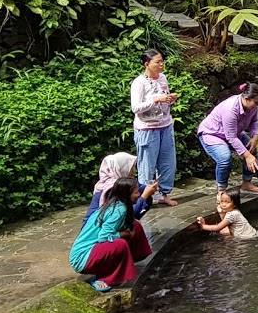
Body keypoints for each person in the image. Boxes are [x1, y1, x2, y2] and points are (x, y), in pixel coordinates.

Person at [69, 178, 152, 291]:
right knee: (120, 244)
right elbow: (103, 237)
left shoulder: (120, 205)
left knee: (134, 225)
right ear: (127, 194)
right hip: (83, 257)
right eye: (136, 192)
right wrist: (122, 234)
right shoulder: (119, 210)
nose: (139, 195)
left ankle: (128, 262)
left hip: (93, 251)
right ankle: (105, 278)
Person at [129, 49, 180, 206]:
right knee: (147, 165)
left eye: (162, 61)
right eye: (157, 62)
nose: (161, 64)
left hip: (165, 125)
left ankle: (163, 194)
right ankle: (144, 198)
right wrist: (156, 100)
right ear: (147, 64)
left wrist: (170, 99)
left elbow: (164, 97)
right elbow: (136, 108)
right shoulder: (139, 83)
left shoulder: (163, 78)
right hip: (147, 128)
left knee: (168, 163)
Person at [196, 83, 258, 194]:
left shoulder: (254, 106)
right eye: (256, 102)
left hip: (234, 133)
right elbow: (231, 137)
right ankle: (221, 191)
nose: (257, 105)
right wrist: (247, 156)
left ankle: (247, 182)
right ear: (246, 99)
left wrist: (255, 136)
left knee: (252, 149)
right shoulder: (230, 109)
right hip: (213, 134)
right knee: (224, 159)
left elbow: (254, 121)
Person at [82, 152, 158, 222]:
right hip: (96, 227)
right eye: (131, 168)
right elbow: (124, 214)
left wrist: (149, 188)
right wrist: (144, 196)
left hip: (106, 224)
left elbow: (140, 187)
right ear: (122, 169)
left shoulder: (121, 182)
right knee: (134, 226)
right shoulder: (112, 188)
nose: (134, 171)